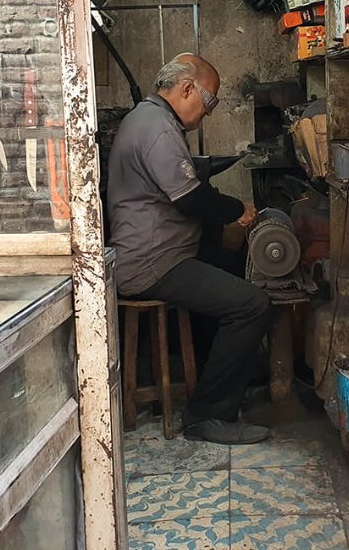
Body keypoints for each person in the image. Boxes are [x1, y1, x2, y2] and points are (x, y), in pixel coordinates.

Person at [105, 53, 274, 445]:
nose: (209, 111)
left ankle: (239, 369)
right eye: (210, 101)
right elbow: (191, 199)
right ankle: (206, 416)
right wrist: (237, 209)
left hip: (160, 256)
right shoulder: (158, 129)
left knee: (223, 268)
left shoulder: (149, 119)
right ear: (185, 89)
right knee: (252, 304)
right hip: (152, 264)